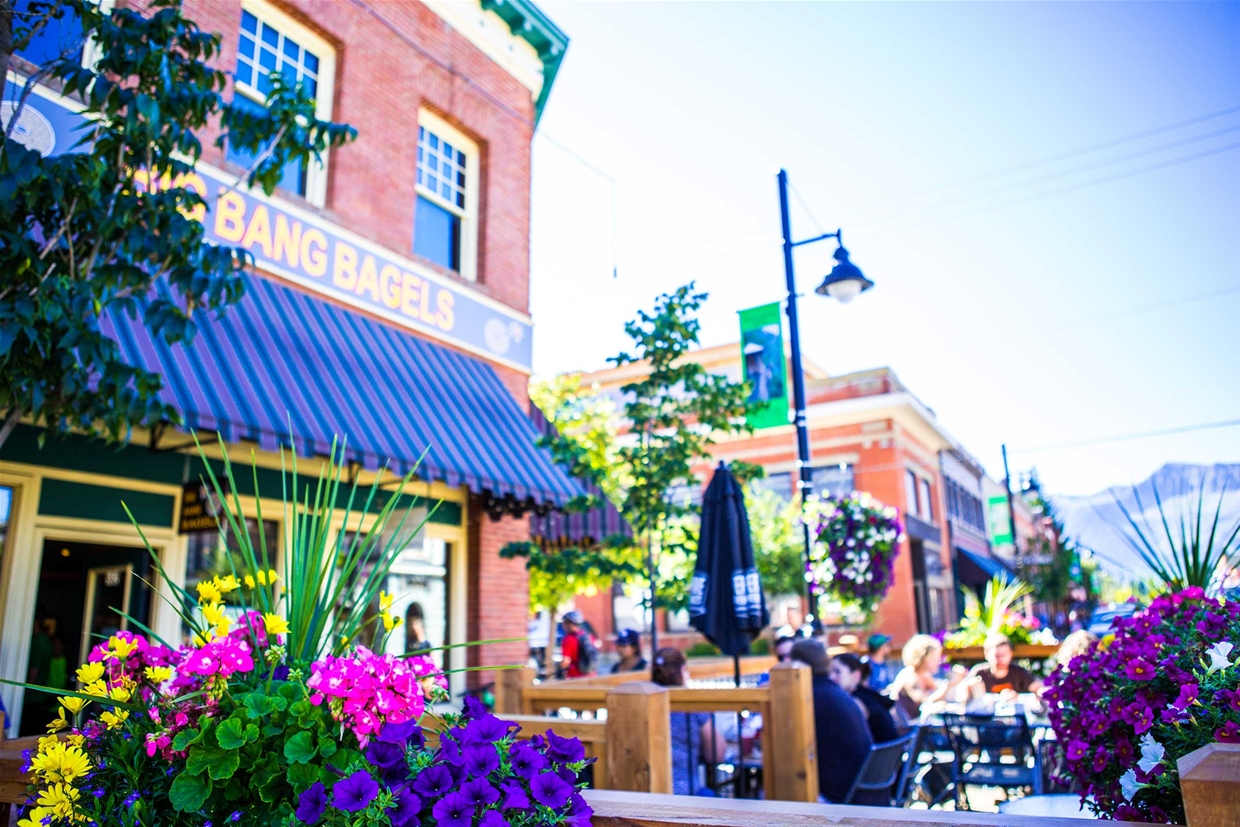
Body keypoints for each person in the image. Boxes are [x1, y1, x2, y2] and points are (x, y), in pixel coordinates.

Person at [789, 639, 877, 805]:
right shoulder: (835, 692)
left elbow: (789, 744)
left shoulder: (809, 695)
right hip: (865, 790)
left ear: (798, 664)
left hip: (839, 796)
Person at [651, 648, 725, 795]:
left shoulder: (644, 703)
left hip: (644, 793)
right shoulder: (693, 705)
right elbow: (717, 754)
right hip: (686, 792)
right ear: (683, 669)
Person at [888, 634, 966, 723]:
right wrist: (949, 685)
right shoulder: (910, 677)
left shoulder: (924, 675)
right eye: (934, 658)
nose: (938, 662)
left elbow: (939, 692)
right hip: (909, 727)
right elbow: (925, 703)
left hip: (919, 724)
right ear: (922, 658)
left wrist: (955, 681)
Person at [828, 652, 900, 744]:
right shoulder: (868, 695)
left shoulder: (857, 701)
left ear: (856, 675)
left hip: (879, 751)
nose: (831, 677)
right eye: (829, 672)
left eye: (837, 672)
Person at [967, 633, 1043, 699]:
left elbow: (1038, 689)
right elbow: (963, 694)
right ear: (986, 654)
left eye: (1004, 655)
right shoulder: (979, 673)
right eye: (997, 656)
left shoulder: (1019, 673)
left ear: (1011, 654)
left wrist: (1018, 697)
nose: (1001, 659)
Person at [559, 611, 597, 678]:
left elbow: (566, 661)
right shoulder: (589, 636)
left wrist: (559, 668)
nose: (563, 626)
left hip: (576, 677)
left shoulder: (568, 639)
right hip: (592, 675)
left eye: (564, 623)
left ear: (569, 624)